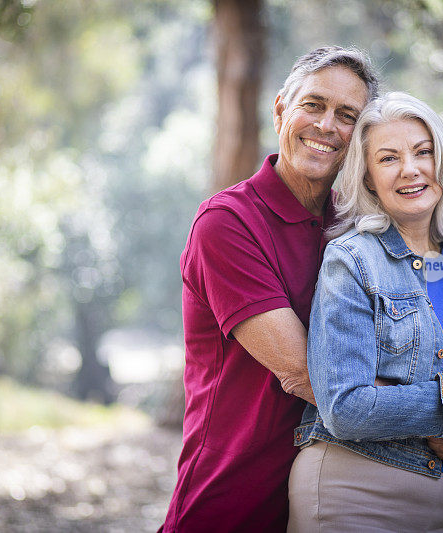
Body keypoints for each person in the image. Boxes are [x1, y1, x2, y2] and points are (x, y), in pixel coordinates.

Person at [288, 92, 443, 532]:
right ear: (368, 179)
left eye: (423, 152)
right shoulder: (351, 261)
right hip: (350, 496)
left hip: (438, 503)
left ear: (441, 164)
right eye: (388, 158)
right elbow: (345, 407)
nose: (410, 169)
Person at [159, 46, 379, 533]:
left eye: (348, 116)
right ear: (281, 108)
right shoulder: (227, 223)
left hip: (333, 503)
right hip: (233, 501)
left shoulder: (356, 228)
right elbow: (307, 373)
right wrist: (439, 418)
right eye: (314, 105)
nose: (326, 126)